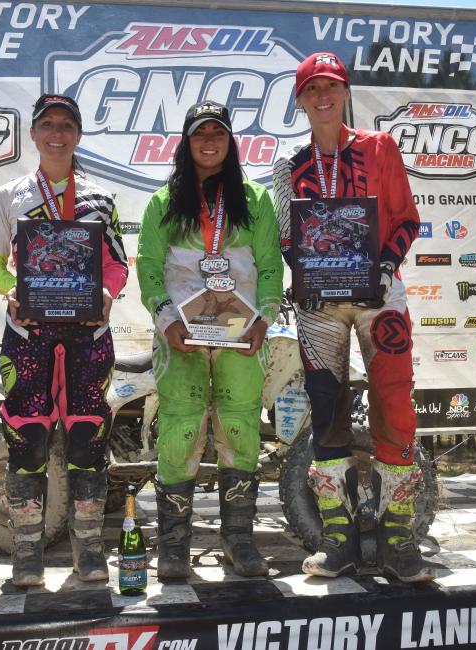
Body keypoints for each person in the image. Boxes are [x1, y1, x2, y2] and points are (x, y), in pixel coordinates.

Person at [273, 52, 433, 583]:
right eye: (312, 89)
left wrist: (385, 265)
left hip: (380, 296)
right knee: (326, 409)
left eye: (332, 87)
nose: (323, 96)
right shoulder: (288, 164)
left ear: (345, 93)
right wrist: (307, 273)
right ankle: (337, 539)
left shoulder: (379, 147)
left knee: (395, 403)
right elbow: (283, 236)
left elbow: (407, 218)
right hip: (318, 304)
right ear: (300, 100)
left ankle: (399, 538)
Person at [0, 94, 128, 587]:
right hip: (29, 335)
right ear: (34, 134)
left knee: (89, 439)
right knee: (28, 439)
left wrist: (107, 292)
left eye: (66, 125)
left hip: (89, 335)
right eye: (47, 125)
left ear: (78, 135)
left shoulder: (100, 199)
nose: (57, 133)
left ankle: (89, 551)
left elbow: (117, 263)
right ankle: (27, 554)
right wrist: (11, 291)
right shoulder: (8, 196)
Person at [138, 101, 283, 579]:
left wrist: (264, 318)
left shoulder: (255, 198)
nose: (209, 140)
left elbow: (268, 266)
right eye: (200, 132)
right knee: (180, 431)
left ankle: (238, 541)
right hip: (182, 336)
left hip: (241, 335)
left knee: (239, 429)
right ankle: (175, 546)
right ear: (186, 141)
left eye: (218, 132)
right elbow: (149, 269)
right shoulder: (164, 201)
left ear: (230, 140)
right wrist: (166, 321)